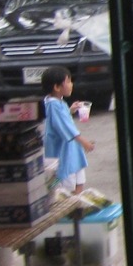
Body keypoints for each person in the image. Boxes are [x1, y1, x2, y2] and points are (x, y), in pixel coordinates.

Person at [41, 66, 94, 194]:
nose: (71, 84)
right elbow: (65, 127)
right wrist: (84, 142)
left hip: (71, 150)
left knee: (78, 177)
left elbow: (59, 120)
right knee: (64, 181)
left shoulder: (56, 102)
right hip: (63, 151)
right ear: (57, 87)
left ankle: (74, 198)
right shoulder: (53, 105)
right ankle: (62, 198)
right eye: (68, 81)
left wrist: (70, 110)